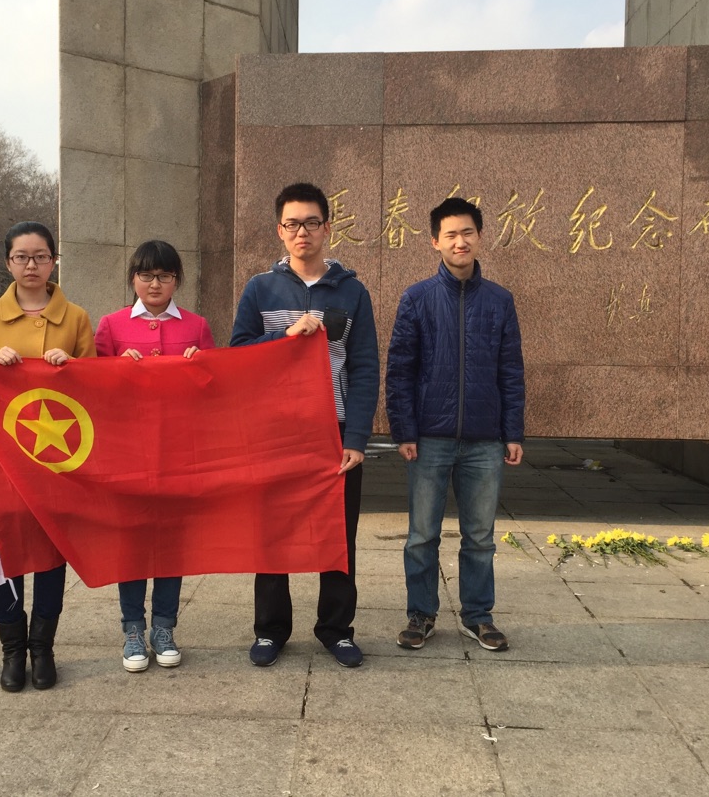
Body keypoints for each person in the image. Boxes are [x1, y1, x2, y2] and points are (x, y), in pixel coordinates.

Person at [230, 182, 380, 668]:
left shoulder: (353, 291)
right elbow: (238, 355)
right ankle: (271, 629)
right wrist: (283, 334)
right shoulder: (260, 289)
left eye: (311, 223)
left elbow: (364, 367)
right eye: (292, 224)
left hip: (333, 430)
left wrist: (357, 438)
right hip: (275, 432)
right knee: (272, 532)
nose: (302, 232)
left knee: (338, 534)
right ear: (280, 230)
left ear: (327, 228)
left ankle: (336, 629)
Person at [385, 197, 525, 653]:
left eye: (467, 233)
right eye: (450, 234)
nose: (460, 241)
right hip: (429, 437)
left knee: (480, 537)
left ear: (480, 237)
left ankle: (478, 616)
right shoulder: (417, 298)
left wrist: (513, 432)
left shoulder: (499, 301)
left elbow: (511, 370)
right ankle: (421, 615)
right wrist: (404, 431)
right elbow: (400, 369)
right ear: (435, 242)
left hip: (485, 440)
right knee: (421, 536)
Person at [0, 221, 95, 691]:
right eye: (21, 257)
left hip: (57, 460)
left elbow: (96, 385)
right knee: (5, 551)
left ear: (54, 260)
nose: (31, 265)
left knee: (51, 552)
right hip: (1, 458)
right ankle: (11, 649)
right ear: (8, 263)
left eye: (41, 256)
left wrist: (72, 368)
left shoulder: (76, 318)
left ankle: (42, 647)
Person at [95, 240, 215, 672]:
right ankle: (132, 628)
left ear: (177, 280)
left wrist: (200, 367)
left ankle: (164, 626)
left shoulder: (197, 327)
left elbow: (215, 392)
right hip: (127, 453)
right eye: (146, 275)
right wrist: (115, 369)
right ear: (133, 279)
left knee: (171, 541)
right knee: (130, 540)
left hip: (178, 452)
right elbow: (93, 391)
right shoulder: (110, 326)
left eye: (164, 276)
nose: (155, 284)